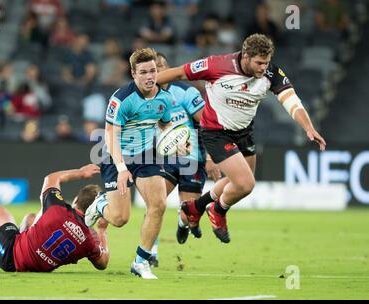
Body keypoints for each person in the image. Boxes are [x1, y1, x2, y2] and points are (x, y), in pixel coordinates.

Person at [157, 33, 326, 244]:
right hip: (216, 132)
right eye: (259, 62)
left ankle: (195, 208)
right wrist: (144, 87)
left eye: (266, 62)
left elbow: (291, 100)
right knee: (246, 184)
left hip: (244, 133)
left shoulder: (271, 73)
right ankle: (217, 211)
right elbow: (179, 73)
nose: (263, 67)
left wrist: (308, 127)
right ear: (245, 56)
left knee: (235, 182)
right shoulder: (216, 65)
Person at [84, 48, 180, 280]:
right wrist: (121, 169)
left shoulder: (165, 98)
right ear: (133, 74)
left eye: (153, 71)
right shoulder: (122, 99)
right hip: (116, 156)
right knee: (119, 219)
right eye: (144, 72)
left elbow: (165, 125)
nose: (150, 76)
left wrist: (178, 140)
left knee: (158, 205)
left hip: (146, 156)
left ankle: (141, 261)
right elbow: (110, 136)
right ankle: (99, 206)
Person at [0, 164, 110, 272]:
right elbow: (102, 263)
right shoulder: (90, 240)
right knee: (30, 218)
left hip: (9, 256)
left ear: (76, 200)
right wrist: (102, 231)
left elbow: (51, 178)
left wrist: (81, 172)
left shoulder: (58, 209)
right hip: (37, 267)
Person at [148, 52, 220, 267]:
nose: (157, 71)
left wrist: (211, 156)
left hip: (193, 160)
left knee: (188, 213)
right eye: (153, 68)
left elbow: (207, 124)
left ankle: (183, 222)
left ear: (169, 70)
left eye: (160, 66)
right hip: (164, 160)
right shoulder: (146, 97)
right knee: (155, 205)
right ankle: (150, 253)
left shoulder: (186, 92)